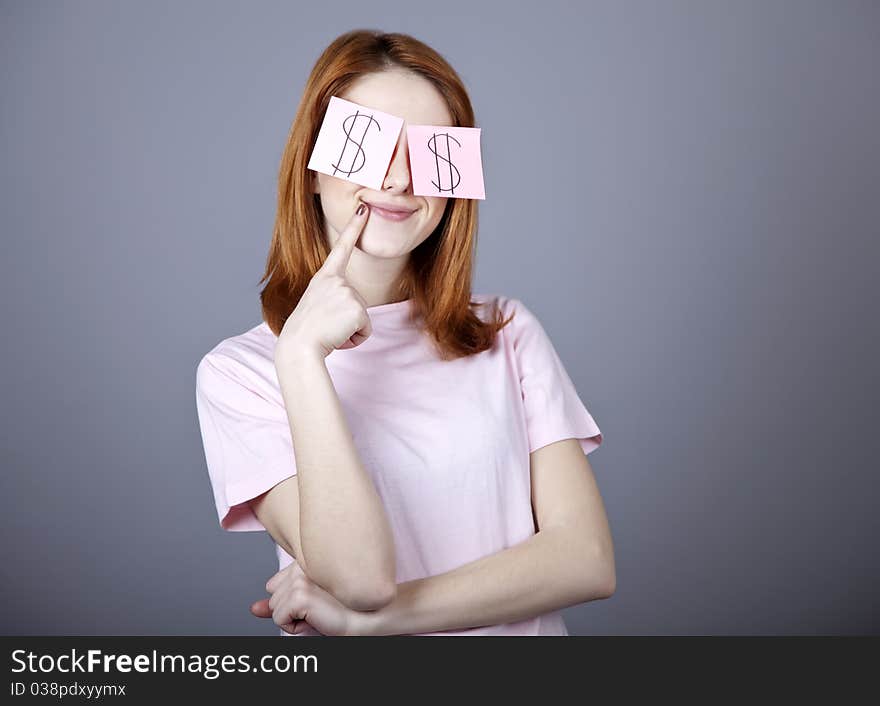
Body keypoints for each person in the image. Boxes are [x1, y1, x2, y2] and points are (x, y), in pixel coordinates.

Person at [194, 29, 615, 637]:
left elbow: (588, 561)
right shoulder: (241, 374)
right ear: (312, 167)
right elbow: (358, 579)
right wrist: (302, 359)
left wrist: (374, 623)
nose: (397, 180)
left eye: (428, 153)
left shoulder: (505, 331)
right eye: (366, 144)